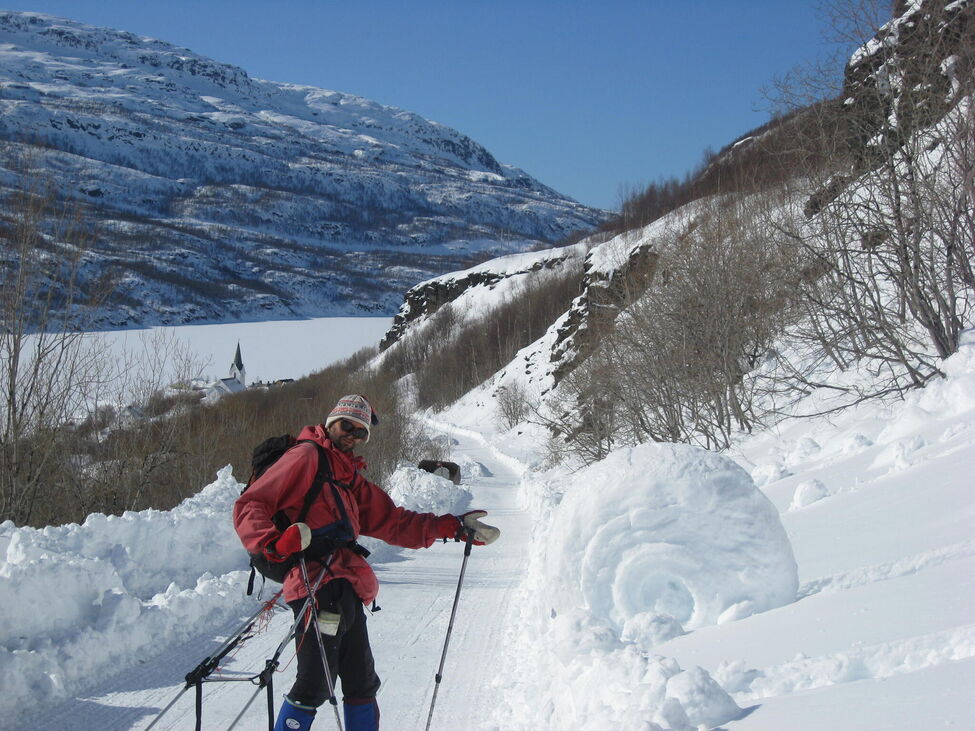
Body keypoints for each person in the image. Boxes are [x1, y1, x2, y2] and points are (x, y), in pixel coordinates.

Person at [233, 394, 499, 731]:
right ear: (332, 423)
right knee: (315, 682)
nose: (353, 436)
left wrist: (451, 527)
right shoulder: (306, 456)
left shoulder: (346, 476)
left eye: (361, 433)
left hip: (346, 583)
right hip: (314, 584)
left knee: (361, 682)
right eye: (347, 426)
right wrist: (272, 544)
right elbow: (250, 504)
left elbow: (394, 521)